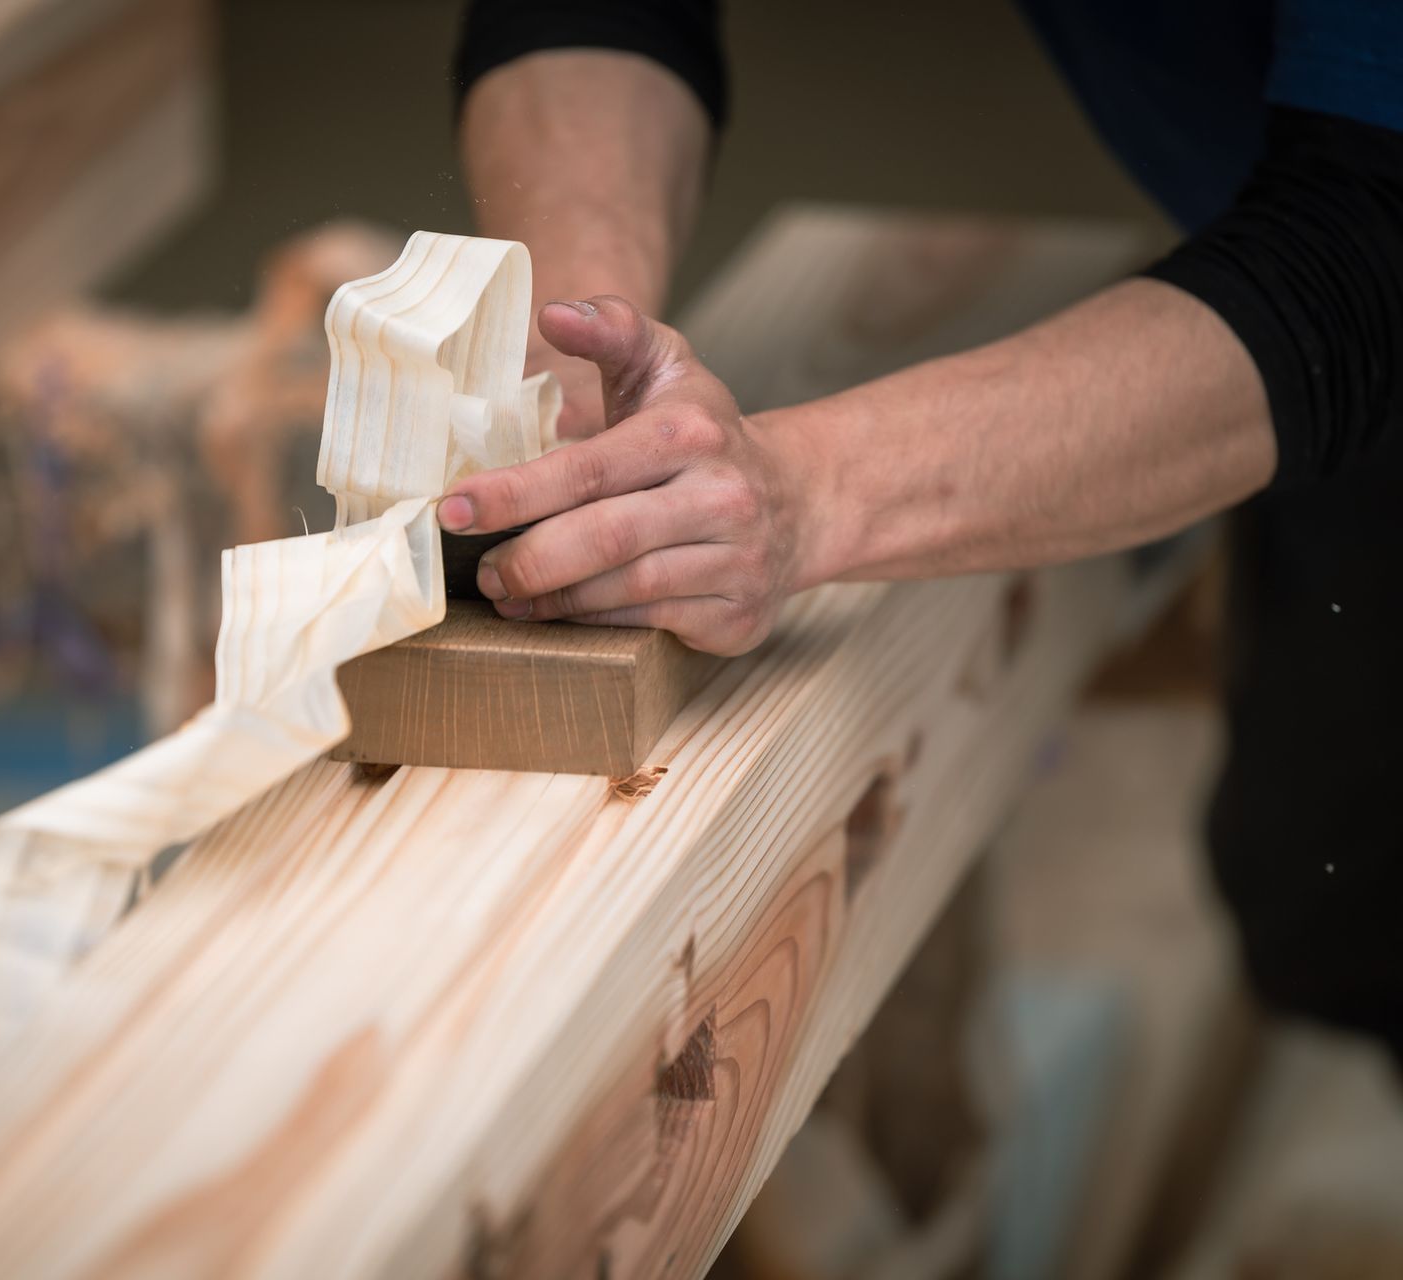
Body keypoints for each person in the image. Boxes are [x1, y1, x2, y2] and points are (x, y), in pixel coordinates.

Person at [444, 2, 1401, 1064]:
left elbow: (1376, 245)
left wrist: (799, 494)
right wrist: (576, 349)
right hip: (1300, 225)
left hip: (1355, 259)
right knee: (1328, 907)